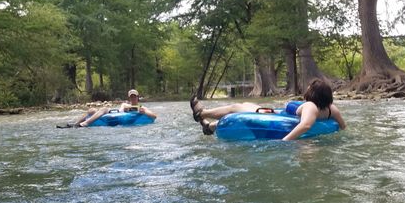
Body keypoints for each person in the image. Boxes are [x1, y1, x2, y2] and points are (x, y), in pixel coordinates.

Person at [189, 78, 346, 140]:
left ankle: (202, 113)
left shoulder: (311, 107)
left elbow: (305, 125)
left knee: (237, 107)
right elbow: (343, 126)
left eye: (309, 87)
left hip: (275, 118)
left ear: (313, 93)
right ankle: (209, 126)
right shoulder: (332, 108)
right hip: (276, 114)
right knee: (243, 106)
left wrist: (285, 141)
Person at [65, 89, 157, 128]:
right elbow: (122, 109)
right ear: (129, 98)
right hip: (116, 117)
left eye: (134, 97)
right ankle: (76, 124)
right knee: (92, 110)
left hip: (127, 121)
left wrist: (144, 112)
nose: (133, 98)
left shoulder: (142, 107)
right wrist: (130, 108)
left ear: (138, 97)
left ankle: (84, 124)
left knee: (104, 109)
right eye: (131, 97)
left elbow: (154, 116)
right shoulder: (125, 104)